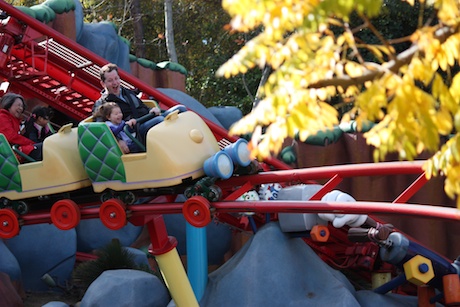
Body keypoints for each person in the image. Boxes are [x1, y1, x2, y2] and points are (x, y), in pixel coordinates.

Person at [92, 63, 164, 143]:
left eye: (116, 78)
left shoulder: (127, 93)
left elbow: (142, 107)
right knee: (160, 121)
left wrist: (152, 110)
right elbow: (101, 129)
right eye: (110, 80)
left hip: (145, 119)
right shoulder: (102, 104)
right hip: (133, 133)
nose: (115, 83)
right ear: (103, 84)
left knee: (179, 109)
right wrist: (118, 141)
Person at [0, 93, 43, 161]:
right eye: (18, 105)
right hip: (10, 153)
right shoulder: (2, 117)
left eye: (22, 106)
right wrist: (32, 143)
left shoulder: (17, 121)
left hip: (15, 151)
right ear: (9, 105)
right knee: (43, 148)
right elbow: (11, 137)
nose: (21, 108)